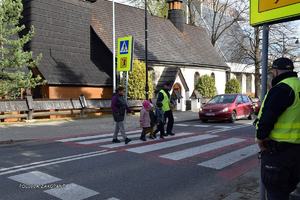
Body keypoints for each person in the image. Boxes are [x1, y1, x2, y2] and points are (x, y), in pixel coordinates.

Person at [255, 57, 300, 200]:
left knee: (276, 194)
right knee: (290, 189)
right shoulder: (297, 86)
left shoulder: (281, 88)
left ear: (275, 71)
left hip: (279, 154)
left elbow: (267, 119)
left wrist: (261, 139)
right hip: (297, 153)